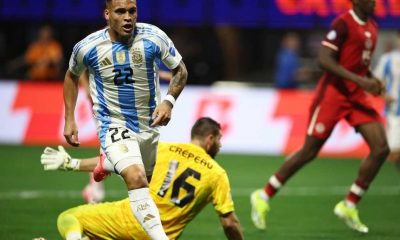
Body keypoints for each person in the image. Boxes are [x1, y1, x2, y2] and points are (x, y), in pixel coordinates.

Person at [250, 0, 388, 234]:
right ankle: (263, 195)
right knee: (309, 151)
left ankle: (349, 204)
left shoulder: (372, 26)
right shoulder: (342, 24)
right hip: (332, 96)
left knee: (381, 148)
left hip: (356, 98)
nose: (374, 2)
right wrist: (360, 80)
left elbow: (358, 64)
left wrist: (371, 79)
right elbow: (324, 60)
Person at [63, 0, 188, 239]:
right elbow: (71, 76)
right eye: (121, 12)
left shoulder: (154, 37)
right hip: (113, 122)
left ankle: (105, 163)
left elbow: (180, 69)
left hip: (148, 126)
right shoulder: (87, 47)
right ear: (107, 14)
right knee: (136, 177)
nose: (128, 17)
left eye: (132, 11)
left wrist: (168, 101)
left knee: (144, 186)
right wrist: (70, 118)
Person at [40, 117, 244, 240]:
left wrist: (72, 164)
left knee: (69, 218)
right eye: (219, 140)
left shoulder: (163, 149)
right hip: (160, 236)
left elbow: (118, 160)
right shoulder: (217, 174)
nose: (220, 145)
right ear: (210, 139)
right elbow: (229, 223)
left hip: (130, 219)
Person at [373, 32, 400, 170]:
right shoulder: (388, 59)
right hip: (395, 112)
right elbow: (376, 82)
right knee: (394, 153)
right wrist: (384, 95)